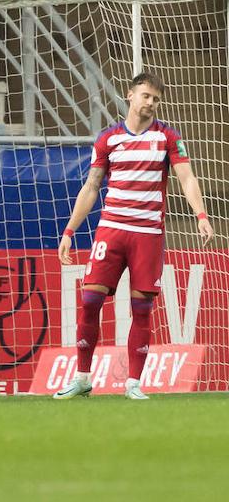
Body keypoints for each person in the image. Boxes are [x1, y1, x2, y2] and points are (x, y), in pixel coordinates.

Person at [55, 72, 215, 401]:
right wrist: (69, 231)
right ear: (130, 95)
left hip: (147, 235)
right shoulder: (108, 138)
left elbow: (187, 178)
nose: (151, 103)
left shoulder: (167, 137)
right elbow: (91, 186)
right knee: (90, 300)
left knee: (141, 308)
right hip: (111, 230)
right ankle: (82, 378)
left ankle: (133, 383)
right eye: (146, 96)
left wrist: (201, 214)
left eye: (156, 99)